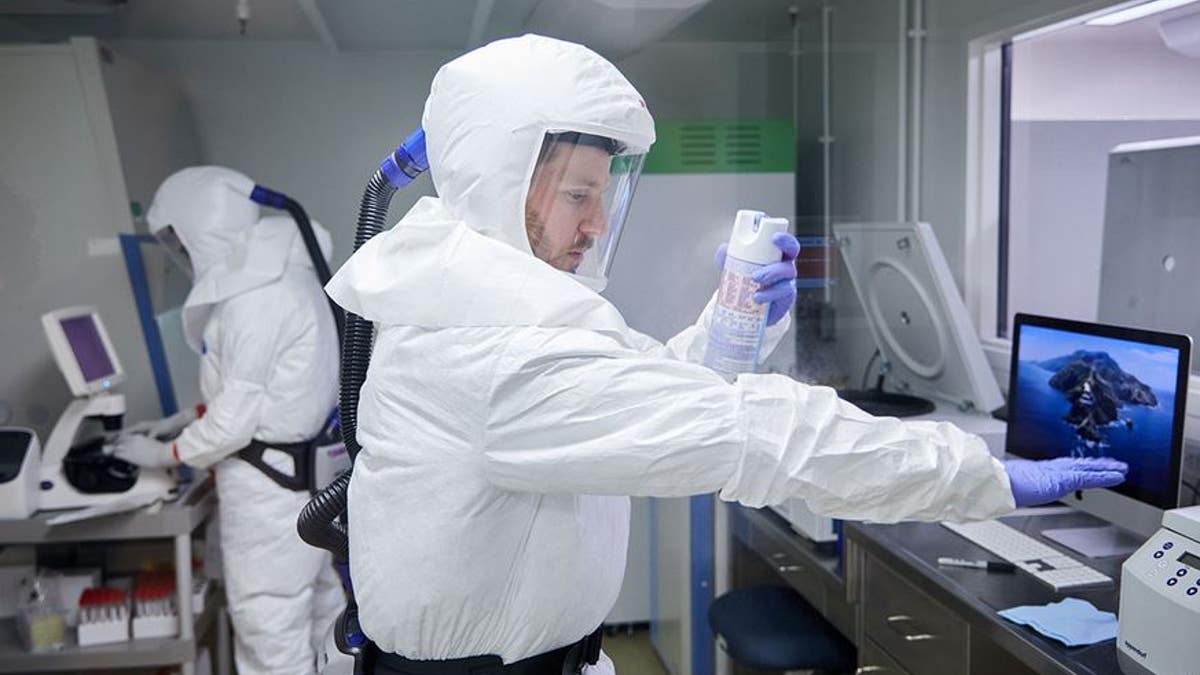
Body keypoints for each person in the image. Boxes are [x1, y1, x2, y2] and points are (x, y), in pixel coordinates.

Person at [324, 35, 1126, 675]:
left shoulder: (487, 308)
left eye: (606, 195)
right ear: (502, 183)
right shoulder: (492, 352)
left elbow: (642, 396)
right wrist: (979, 474)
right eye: (578, 195)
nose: (598, 224)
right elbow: (748, 432)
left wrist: (732, 327)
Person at [111, 167, 343, 675]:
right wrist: (184, 418)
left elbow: (234, 424)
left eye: (176, 239)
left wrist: (165, 453)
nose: (178, 253)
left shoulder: (253, 300)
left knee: (269, 631)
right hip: (304, 486)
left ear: (200, 230)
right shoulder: (291, 277)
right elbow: (279, 393)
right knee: (321, 619)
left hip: (269, 498)